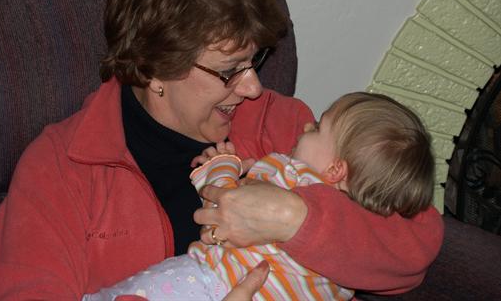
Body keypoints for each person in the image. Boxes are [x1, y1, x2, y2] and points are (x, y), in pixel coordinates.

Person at [0, 0, 443, 300]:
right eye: (230, 70)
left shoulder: (280, 125)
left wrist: (292, 218)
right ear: (155, 68)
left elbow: (414, 241)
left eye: (254, 62)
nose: (253, 87)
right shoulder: (63, 167)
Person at [84, 91, 435, 300]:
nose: (306, 126)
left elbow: (221, 204)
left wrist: (220, 166)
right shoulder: (347, 266)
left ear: (335, 170)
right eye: (229, 69)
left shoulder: (287, 171)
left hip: (209, 281)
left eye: (318, 127)